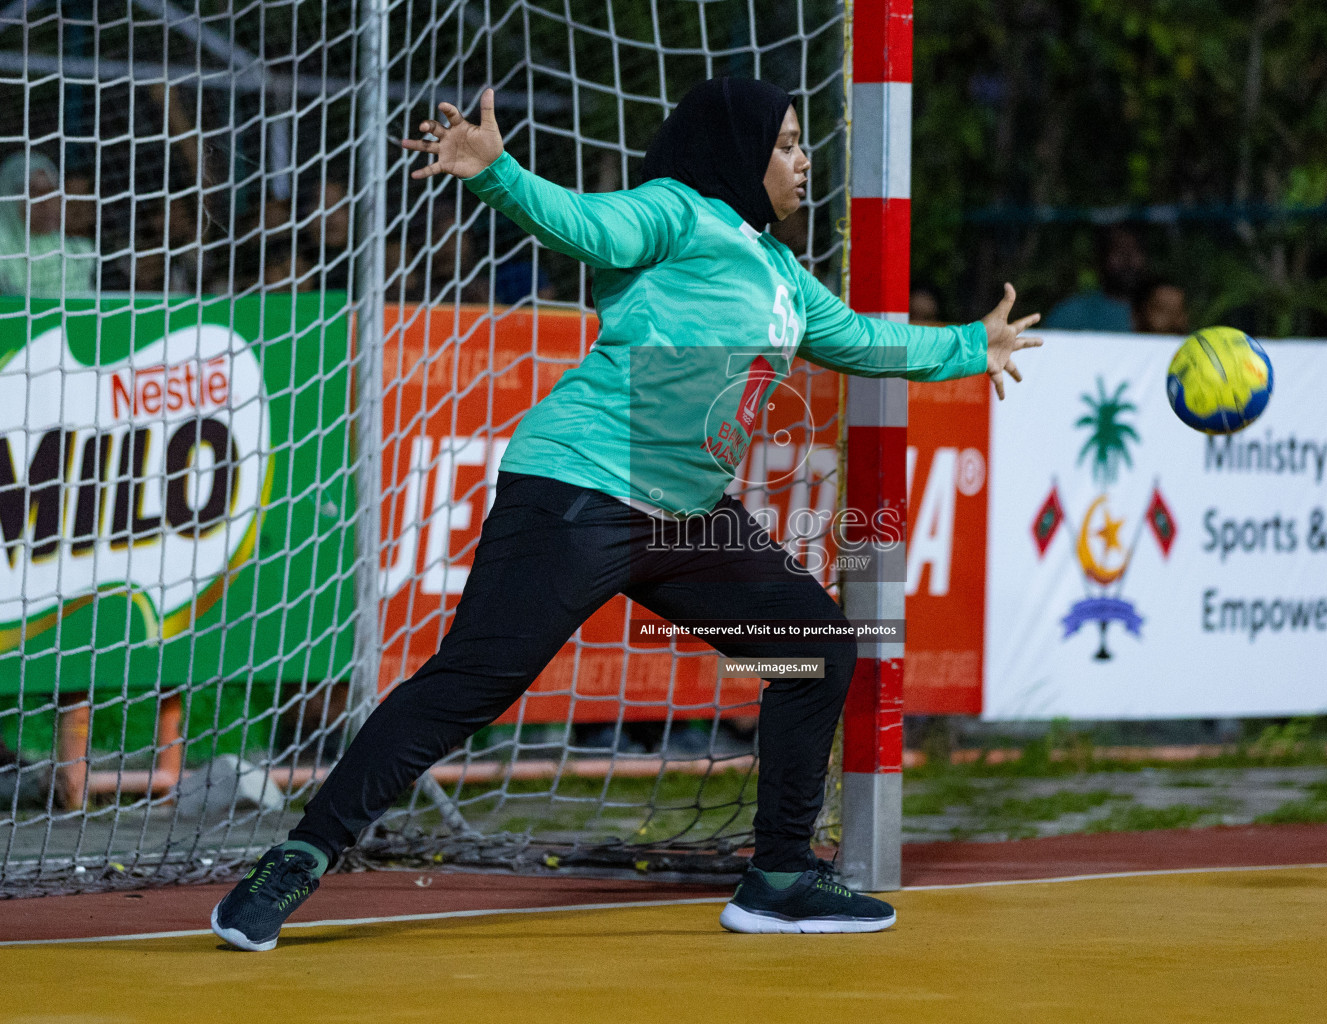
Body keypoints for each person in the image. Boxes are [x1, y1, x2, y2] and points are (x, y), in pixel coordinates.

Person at [210, 78, 1041, 950]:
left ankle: (780, 878)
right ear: (738, 148)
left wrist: (970, 346)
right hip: (582, 488)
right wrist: (499, 175)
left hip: (685, 519)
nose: (804, 161)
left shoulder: (787, 277)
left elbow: (870, 342)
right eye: (788, 142)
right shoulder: (675, 214)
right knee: (469, 689)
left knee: (815, 644)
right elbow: (585, 225)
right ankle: (299, 858)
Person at [0, 152, 96, 296]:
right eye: (34, 192)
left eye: (51, 191)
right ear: (11, 199)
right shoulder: (3, 254)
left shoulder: (79, 254)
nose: (46, 202)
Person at [1043, 224, 1144, 332]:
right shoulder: (1069, 315)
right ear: (1100, 259)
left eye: (1135, 250)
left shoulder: (1158, 313)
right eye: (1119, 251)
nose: (1128, 260)